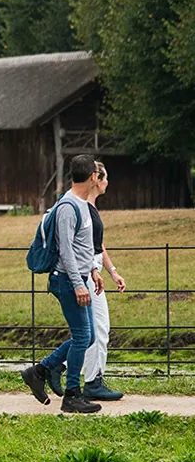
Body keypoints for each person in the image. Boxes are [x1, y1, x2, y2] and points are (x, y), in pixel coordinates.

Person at [21, 154, 101, 414]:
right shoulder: (68, 207)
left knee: (87, 337)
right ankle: (72, 396)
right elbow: (66, 251)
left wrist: (94, 271)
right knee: (82, 337)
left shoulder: (81, 204)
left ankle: (40, 371)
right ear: (92, 177)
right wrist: (79, 284)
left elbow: (82, 247)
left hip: (80, 277)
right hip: (67, 280)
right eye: (97, 174)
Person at [81, 161, 125, 401]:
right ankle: (92, 382)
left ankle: (52, 368)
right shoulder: (84, 208)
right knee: (97, 329)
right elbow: (85, 247)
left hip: (94, 273)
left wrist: (113, 271)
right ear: (97, 179)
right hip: (88, 276)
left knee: (92, 329)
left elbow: (99, 246)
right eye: (105, 178)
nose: (107, 183)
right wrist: (94, 272)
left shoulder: (92, 208)